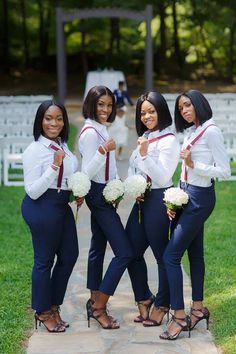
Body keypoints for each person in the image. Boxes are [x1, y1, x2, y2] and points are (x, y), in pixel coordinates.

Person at [160, 90, 231, 340]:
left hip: (201, 199)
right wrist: (175, 200)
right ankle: (198, 309)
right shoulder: (191, 131)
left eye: (188, 105)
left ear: (199, 104)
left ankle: (179, 316)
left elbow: (223, 170)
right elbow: (184, 170)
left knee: (171, 255)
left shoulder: (211, 131)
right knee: (195, 253)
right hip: (186, 195)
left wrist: (194, 166)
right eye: (180, 108)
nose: (184, 111)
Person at [21, 100, 81, 333]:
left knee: (69, 256)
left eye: (58, 118)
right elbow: (32, 190)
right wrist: (53, 168)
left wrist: (75, 191)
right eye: (48, 118)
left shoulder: (63, 146)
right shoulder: (35, 150)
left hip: (60, 205)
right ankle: (42, 311)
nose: (53, 123)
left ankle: (54, 305)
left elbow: (68, 176)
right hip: (41, 206)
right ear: (40, 121)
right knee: (44, 261)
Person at [78, 85, 133, 329]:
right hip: (97, 195)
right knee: (124, 252)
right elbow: (86, 172)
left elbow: (106, 168)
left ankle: (93, 300)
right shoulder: (91, 133)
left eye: (109, 105)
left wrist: (116, 187)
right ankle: (100, 306)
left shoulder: (101, 128)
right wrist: (103, 150)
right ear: (91, 104)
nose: (105, 109)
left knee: (97, 249)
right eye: (101, 104)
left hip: (105, 192)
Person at [125, 91, 180, 327]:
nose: (147, 116)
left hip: (159, 200)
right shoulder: (144, 137)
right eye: (143, 112)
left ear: (161, 111)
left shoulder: (169, 140)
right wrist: (133, 185)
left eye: (151, 111)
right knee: (129, 251)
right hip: (141, 201)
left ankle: (163, 304)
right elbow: (131, 166)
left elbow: (163, 175)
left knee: (162, 257)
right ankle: (144, 297)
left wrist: (146, 154)